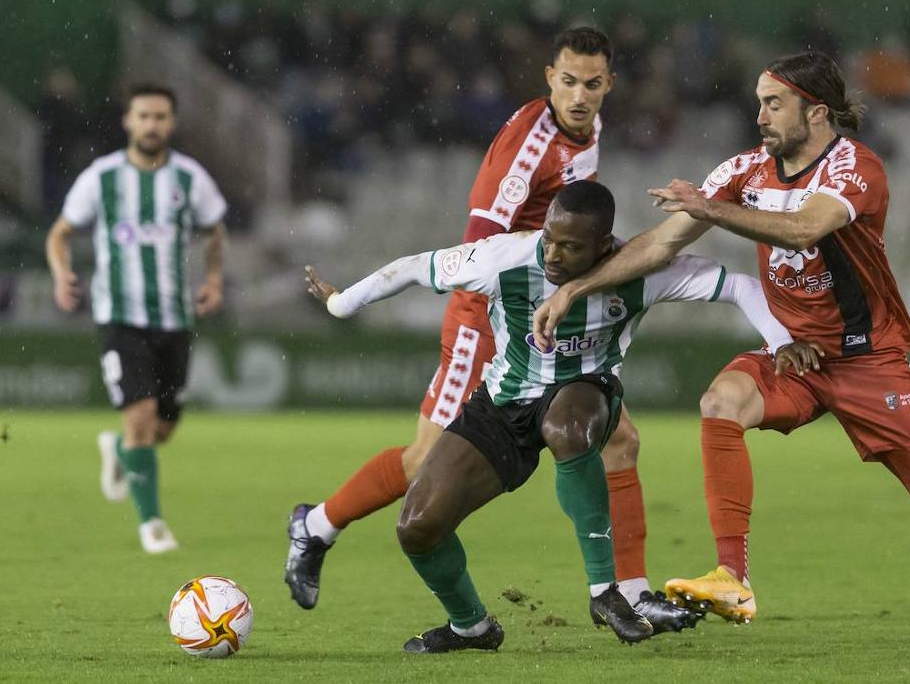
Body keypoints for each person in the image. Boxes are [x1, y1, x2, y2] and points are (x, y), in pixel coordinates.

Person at [532, 52, 910, 655]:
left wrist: (709, 207)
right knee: (721, 400)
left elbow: (804, 229)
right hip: (795, 356)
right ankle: (733, 579)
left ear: (817, 112)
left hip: (867, 361)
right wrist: (576, 287)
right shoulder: (746, 170)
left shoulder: (858, 169)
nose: (760, 115)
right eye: (759, 102)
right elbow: (661, 245)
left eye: (774, 103)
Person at [284, 27, 693, 630]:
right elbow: (477, 247)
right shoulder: (530, 148)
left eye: (593, 84)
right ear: (549, 76)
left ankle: (629, 592)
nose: (580, 95)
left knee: (619, 439)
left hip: (548, 315)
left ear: (609, 84)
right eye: (569, 81)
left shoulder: (586, 129)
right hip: (492, 321)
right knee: (425, 460)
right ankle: (315, 525)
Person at [300, 180, 822, 653]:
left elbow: (736, 285)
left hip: (586, 391)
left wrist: (781, 342)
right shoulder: (503, 259)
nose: (553, 253)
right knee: (417, 527)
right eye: (550, 238)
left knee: (568, 425)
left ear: (604, 245)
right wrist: (342, 304)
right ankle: (472, 628)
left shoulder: (639, 271)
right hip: (503, 404)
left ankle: (606, 593)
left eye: (571, 246)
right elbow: (416, 267)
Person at [45, 84, 227, 553]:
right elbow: (60, 234)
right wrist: (62, 274)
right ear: (128, 121)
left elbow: (214, 230)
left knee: (161, 430)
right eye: (143, 116)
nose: (152, 125)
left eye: (161, 117)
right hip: (120, 316)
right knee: (141, 418)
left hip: (175, 318)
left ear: (172, 123)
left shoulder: (190, 178)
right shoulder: (101, 177)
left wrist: (214, 279)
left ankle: (119, 450)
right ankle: (153, 526)